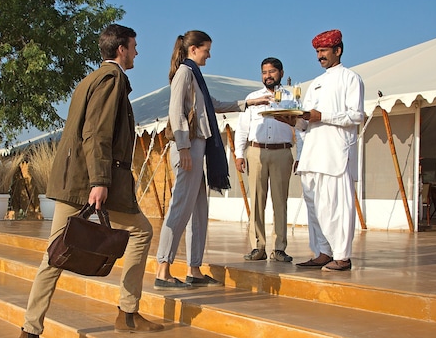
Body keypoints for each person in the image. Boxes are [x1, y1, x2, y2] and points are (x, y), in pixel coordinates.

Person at [13, 24, 163, 338]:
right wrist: (99, 180)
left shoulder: (89, 80)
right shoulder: (111, 81)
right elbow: (96, 134)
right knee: (140, 231)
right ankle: (126, 314)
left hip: (76, 180)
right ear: (121, 49)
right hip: (91, 182)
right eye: (134, 46)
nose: (137, 52)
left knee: (54, 255)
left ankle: (30, 335)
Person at [154, 30, 269, 289]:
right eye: (206, 49)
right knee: (180, 207)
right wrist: (183, 148)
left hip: (197, 147)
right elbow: (176, 111)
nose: (209, 54)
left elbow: (212, 104)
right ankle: (163, 268)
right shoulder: (184, 72)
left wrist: (250, 103)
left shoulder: (195, 74)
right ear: (193, 49)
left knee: (198, 211)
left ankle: (194, 269)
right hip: (188, 147)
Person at [274, 29, 364, 272]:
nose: (320, 56)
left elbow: (356, 116)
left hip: (335, 153)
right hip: (312, 154)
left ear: (338, 50)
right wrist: (292, 120)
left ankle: (342, 256)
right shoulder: (315, 84)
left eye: (324, 51)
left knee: (336, 207)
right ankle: (323, 252)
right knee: (315, 208)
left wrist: (320, 116)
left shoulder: (351, 79)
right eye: (317, 52)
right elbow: (306, 122)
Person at [234, 57, 300, 262]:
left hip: (282, 152)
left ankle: (279, 247)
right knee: (257, 200)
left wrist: (302, 155)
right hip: (256, 152)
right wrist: (239, 154)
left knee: (280, 201)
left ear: (280, 72)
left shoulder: (292, 97)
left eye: (271, 72)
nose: (267, 76)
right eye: (264, 72)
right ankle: (258, 246)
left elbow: (300, 127)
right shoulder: (253, 98)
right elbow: (243, 128)